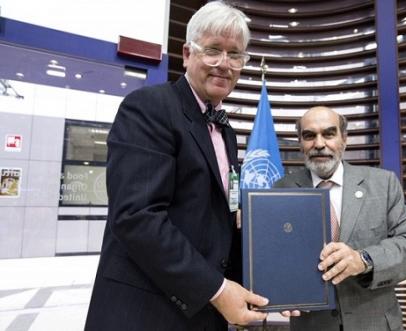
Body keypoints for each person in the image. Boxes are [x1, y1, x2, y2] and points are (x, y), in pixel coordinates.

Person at [84, 2, 269, 330]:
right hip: (146, 313)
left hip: (203, 314)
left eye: (235, 54)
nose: (224, 64)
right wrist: (218, 290)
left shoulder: (227, 133)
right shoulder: (149, 107)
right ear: (187, 54)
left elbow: (221, 218)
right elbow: (137, 217)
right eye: (213, 50)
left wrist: (269, 288)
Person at [274, 106, 406, 330]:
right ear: (300, 144)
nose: (319, 144)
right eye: (309, 136)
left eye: (328, 133)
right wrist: (279, 289)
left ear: (344, 139)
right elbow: (276, 255)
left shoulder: (383, 184)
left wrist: (364, 260)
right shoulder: (281, 189)